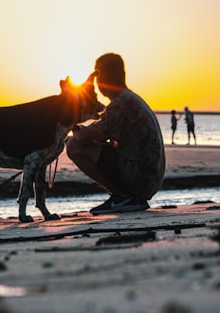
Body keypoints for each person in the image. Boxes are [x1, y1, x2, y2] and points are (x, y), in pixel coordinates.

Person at [66, 53, 166, 214]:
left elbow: (84, 139)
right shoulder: (130, 99)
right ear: (123, 75)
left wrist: (70, 122)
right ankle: (126, 197)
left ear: (100, 80)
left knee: (74, 146)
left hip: (139, 180)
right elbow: (100, 130)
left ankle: (123, 197)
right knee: (84, 141)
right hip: (149, 179)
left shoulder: (120, 104)